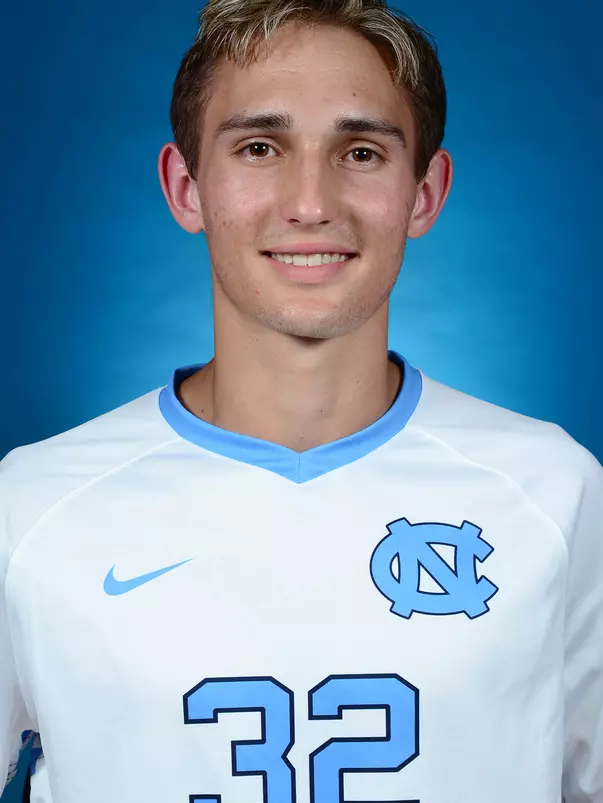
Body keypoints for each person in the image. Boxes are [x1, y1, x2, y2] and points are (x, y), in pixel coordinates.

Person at [1, 0, 602, 800]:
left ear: (424, 193)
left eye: (359, 151)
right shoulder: (32, 508)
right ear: (186, 188)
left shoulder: (554, 493)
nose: (310, 201)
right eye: (259, 146)